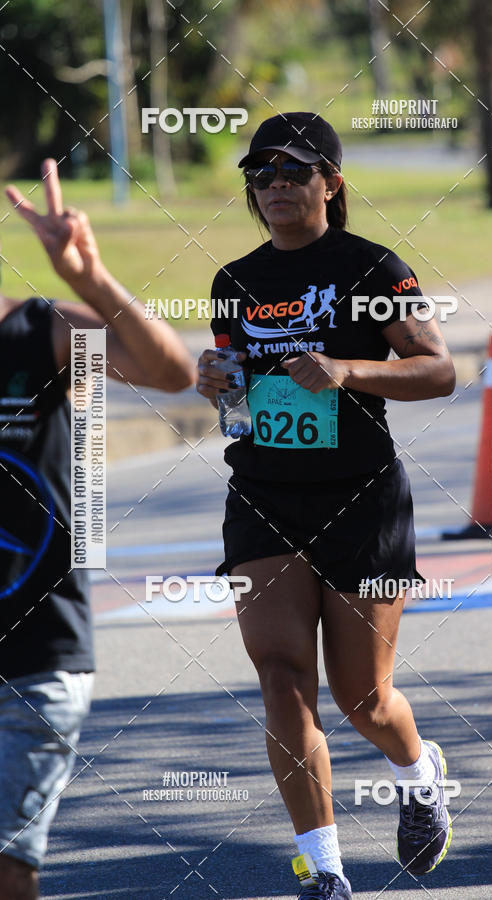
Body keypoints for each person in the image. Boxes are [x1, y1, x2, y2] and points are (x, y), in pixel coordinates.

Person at [197, 112, 456, 899]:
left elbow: (440, 370)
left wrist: (348, 370)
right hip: (264, 497)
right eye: (261, 174)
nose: (275, 185)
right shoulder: (233, 281)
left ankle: (419, 772)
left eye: (293, 171)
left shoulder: (372, 269)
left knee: (364, 700)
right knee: (281, 679)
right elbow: (239, 405)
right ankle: (324, 868)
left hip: (361, 499)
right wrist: (219, 385)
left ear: (330, 184)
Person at [0, 159, 196, 900]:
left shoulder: (38, 331)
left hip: (36, 654)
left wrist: (92, 281)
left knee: (8, 869)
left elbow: (170, 372)